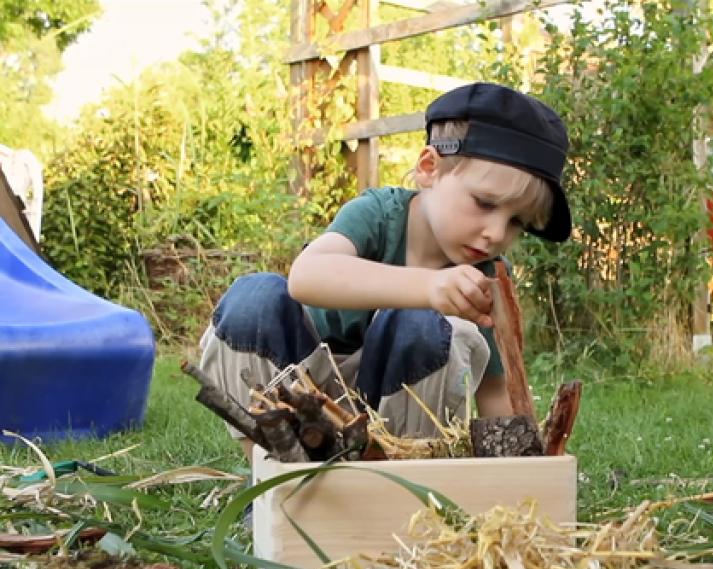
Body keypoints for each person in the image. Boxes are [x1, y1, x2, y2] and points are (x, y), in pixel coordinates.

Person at [198, 82, 571, 461]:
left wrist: (522, 475)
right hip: (304, 391)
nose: (496, 233)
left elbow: (494, 391)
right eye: (484, 203)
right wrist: (429, 286)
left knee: (434, 327)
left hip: (399, 430)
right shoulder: (378, 215)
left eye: (516, 224)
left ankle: (402, 486)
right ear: (430, 169)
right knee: (252, 299)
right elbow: (307, 275)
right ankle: (274, 478)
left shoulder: (486, 274)